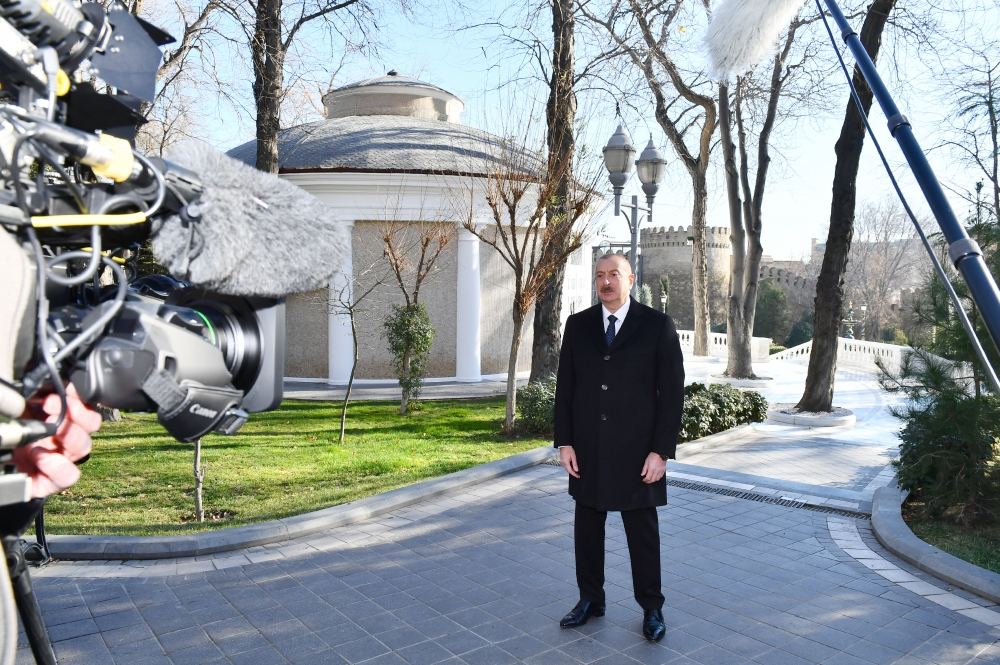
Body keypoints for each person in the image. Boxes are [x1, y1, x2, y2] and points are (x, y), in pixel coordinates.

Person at [554, 252, 685, 642]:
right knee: (587, 529)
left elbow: (672, 395)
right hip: (589, 450)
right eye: (600, 275)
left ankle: (652, 606)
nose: (606, 282)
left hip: (638, 453)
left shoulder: (657, 325)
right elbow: (566, 388)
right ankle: (590, 599)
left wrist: (661, 451)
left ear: (630, 279)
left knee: (642, 533)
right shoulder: (577, 326)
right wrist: (565, 441)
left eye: (614, 275)